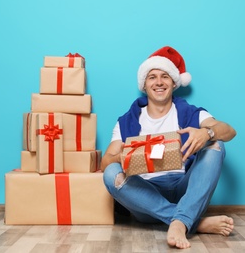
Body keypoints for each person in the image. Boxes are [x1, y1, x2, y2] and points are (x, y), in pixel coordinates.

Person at [101, 46, 237, 249]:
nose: (158, 82)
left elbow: (229, 131)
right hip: (145, 196)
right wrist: (122, 157)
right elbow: (105, 163)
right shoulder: (127, 122)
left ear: (174, 83)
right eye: (152, 77)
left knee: (216, 144)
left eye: (165, 76)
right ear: (144, 85)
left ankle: (180, 220)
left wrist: (207, 132)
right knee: (111, 173)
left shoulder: (190, 113)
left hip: (185, 188)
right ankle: (190, 221)